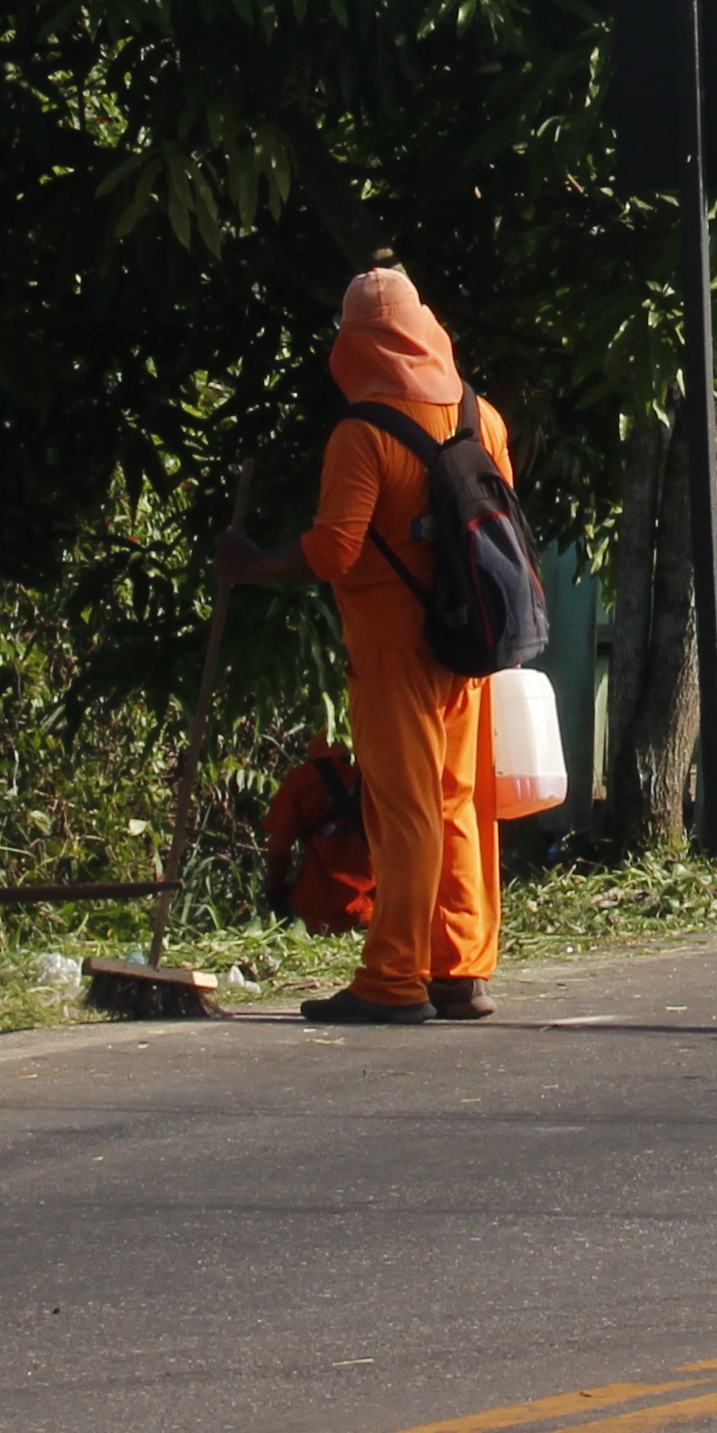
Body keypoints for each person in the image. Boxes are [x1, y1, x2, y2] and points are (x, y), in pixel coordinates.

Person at [214, 267, 507, 1025]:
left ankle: (393, 980)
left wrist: (253, 565)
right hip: (470, 636)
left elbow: (338, 551)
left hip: (392, 645)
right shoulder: (483, 416)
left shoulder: (363, 432)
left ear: (355, 345)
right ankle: (460, 969)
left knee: (403, 811)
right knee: (456, 804)